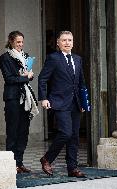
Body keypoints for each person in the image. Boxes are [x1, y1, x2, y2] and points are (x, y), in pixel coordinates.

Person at [38, 31, 86, 177]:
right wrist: (44, 98)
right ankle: (47, 158)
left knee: (74, 137)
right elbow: (42, 79)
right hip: (59, 102)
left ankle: (72, 168)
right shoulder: (53, 58)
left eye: (70, 40)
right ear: (58, 43)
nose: (67, 43)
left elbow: (81, 82)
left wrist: (84, 102)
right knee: (65, 133)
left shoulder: (77, 59)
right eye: (64, 40)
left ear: (73, 42)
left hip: (75, 103)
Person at [0, 31, 39, 174]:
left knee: (23, 131)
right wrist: (25, 77)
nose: (20, 45)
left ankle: (20, 163)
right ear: (11, 42)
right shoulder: (5, 58)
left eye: (22, 42)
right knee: (13, 131)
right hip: (12, 99)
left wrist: (30, 75)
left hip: (26, 98)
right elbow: (9, 79)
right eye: (18, 42)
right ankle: (11, 164)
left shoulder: (26, 56)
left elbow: (28, 76)